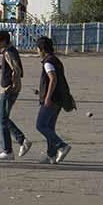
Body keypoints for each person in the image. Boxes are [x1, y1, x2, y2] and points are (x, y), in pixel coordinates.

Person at [0, 31, 32, 160]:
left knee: (3, 119)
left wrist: (12, 84)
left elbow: (16, 69)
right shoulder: (10, 50)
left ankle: (12, 147)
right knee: (4, 118)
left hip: (8, 89)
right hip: (10, 88)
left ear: (4, 41)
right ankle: (16, 144)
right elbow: (9, 65)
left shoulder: (8, 52)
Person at [35, 36, 73, 164]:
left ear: (42, 49)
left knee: (40, 125)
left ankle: (61, 146)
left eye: (38, 49)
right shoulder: (56, 60)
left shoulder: (48, 62)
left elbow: (53, 78)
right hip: (60, 99)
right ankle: (51, 155)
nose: (37, 52)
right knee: (49, 127)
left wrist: (47, 97)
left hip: (52, 99)